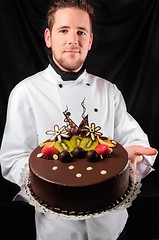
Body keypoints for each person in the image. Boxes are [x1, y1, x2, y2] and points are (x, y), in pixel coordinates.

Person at [0, 0, 157, 239]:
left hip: (112, 228)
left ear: (90, 41)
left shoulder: (109, 91)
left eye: (81, 32)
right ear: (48, 37)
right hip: (57, 230)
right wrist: (54, 180)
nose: (73, 39)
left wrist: (131, 157)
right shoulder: (25, 93)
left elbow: (133, 137)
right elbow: (12, 158)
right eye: (63, 30)